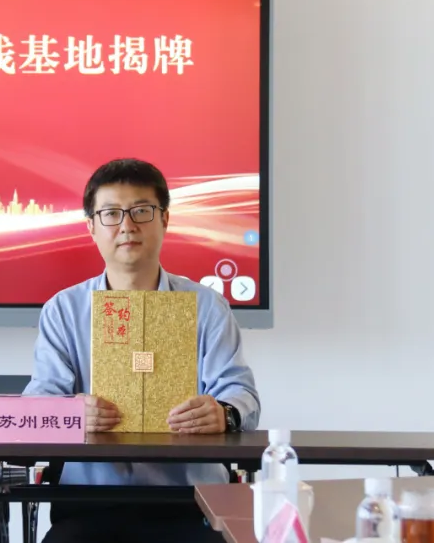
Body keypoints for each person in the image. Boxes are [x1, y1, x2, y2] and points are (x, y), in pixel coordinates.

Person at [24, 159, 261, 543]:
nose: (127, 226)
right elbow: (34, 406)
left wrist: (224, 412)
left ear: (165, 219)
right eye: (111, 214)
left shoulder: (207, 306)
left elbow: (241, 393)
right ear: (91, 226)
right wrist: (69, 413)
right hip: (89, 506)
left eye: (141, 211)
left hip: (192, 502)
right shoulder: (64, 310)